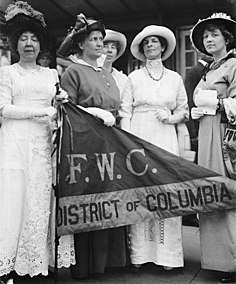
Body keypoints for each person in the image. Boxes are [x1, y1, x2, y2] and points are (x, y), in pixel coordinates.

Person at [0, 1, 67, 283]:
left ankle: (36, 259)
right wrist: (41, 111)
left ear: (41, 46)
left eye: (34, 39)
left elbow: (59, 108)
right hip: (15, 140)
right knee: (13, 197)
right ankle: (7, 261)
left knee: (39, 199)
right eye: (24, 39)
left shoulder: (52, 74)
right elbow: (4, 108)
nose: (29, 44)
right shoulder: (7, 73)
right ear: (16, 45)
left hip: (42, 143)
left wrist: (61, 104)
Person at [58, 13, 127, 279]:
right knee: (91, 197)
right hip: (87, 143)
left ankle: (111, 260)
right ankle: (88, 264)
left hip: (111, 143)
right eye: (94, 39)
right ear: (82, 44)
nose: (100, 44)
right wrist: (96, 112)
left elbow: (117, 108)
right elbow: (68, 109)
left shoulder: (107, 74)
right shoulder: (75, 71)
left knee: (111, 197)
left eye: (101, 39)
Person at [119, 25, 189, 271]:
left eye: (154, 42)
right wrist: (127, 141)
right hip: (139, 133)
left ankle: (168, 256)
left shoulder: (175, 78)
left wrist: (171, 118)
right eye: (146, 43)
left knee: (166, 189)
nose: (150, 45)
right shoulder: (133, 78)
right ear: (141, 49)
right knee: (141, 189)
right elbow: (125, 110)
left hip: (165, 135)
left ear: (162, 47)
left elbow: (184, 110)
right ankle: (140, 254)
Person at [190, 12, 236, 283]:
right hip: (207, 134)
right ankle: (214, 261)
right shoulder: (210, 68)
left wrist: (213, 102)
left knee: (227, 192)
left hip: (225, 135)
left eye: (214, 34)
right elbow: (199, 99)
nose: (209, 39)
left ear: (227, 38)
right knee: (209, 193)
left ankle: (232, 263)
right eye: (206, 35)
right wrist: (199, 107)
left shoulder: (235, 66)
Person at [182, 51, 213, 228]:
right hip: (198, 128)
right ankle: (190, 212)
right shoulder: (195, 72)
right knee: (196, 172)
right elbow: (189, 101)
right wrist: (193, 133)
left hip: (209, 126)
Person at [98, 29, 128, 96]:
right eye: (105, 46)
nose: (109, 50)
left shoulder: (122, 78)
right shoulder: (90, 73)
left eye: (113, 47)